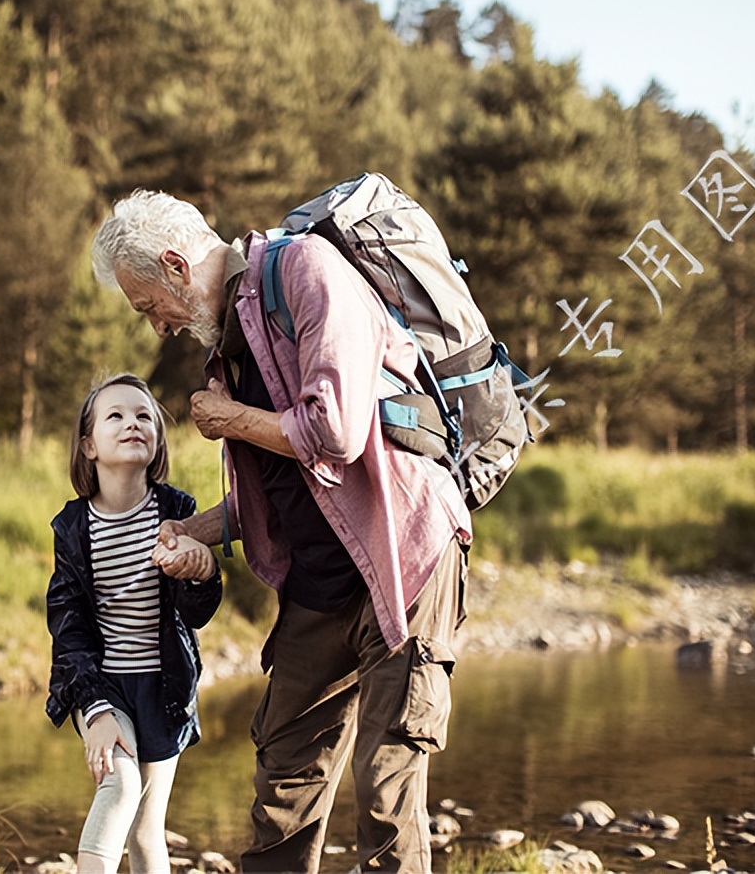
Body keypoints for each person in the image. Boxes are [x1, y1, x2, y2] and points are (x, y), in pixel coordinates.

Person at [91, 191, 472, 874]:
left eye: (150, 306)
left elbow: (336, 431)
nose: (157, 328)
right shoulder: (227, 350)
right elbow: (273, 499)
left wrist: (228, 418)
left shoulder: (306, 271)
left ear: (178, 266)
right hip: (319, 581)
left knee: (385, 790)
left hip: (404, 557)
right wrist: (193, 529)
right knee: (284, 780)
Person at [45, 372, 223, 874]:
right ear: (88, 445)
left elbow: (197, 613)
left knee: (147, 831)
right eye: (116, 415)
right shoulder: (74, 529)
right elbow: (69, 628)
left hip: (164, 687)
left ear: (159, 440)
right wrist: (96, 709)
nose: (133, 423)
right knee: (119, 784)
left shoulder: (177, 512)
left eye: (145, 415)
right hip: (102, 685)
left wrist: (202, 571)